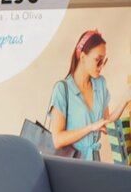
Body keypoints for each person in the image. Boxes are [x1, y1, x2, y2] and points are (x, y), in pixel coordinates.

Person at [50, 29, 129, 160]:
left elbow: (106, 122)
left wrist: (126, 98)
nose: (101, 66)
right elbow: (57, 139)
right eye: (98, 60)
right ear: (82, 57)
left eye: (104, 61)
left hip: (94, 161)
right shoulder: (62, 89)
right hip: (71, 163)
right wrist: (91, 127)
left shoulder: (100, 84)